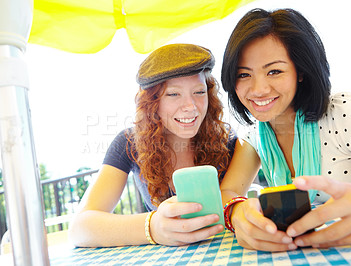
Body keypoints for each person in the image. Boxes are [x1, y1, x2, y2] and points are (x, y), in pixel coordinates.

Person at [219, 8, 351, 252]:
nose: (258, 89)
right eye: (243, 74)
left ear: (301, 71)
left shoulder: (348, 112)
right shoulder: (255, 135)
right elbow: (229, 191)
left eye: (274, 71)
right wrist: (238, 212)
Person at [69, 43, 237, 247]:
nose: (191, 106)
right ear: (152, 102)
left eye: (199, 92)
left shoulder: (228, 141)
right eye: (173, 94)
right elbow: (79, 228)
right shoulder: (128, 143)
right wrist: (152, 227)